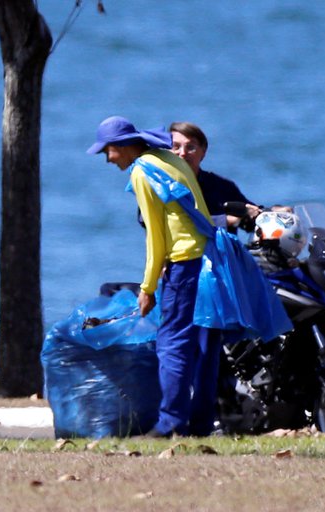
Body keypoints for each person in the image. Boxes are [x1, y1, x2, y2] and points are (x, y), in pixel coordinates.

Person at [87, 115, 213, 437]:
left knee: (171, 343)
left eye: (108, 152)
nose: (107, 160)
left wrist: (148, 286)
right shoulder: (166, 157)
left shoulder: (143, 171)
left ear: (122, 147)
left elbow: (155, 236)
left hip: (182, 260)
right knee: (190, 342)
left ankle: (171, 423)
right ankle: (193, 422)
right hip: (201, 254)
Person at [169, 122, 261, 230]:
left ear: (203, 152)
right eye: (176, 147)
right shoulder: (159, 186)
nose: (183, 153)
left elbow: (252, 215)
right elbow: (172, 222)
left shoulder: (222, 186)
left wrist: (272, 213)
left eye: (190, 147)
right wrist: (225, 221)